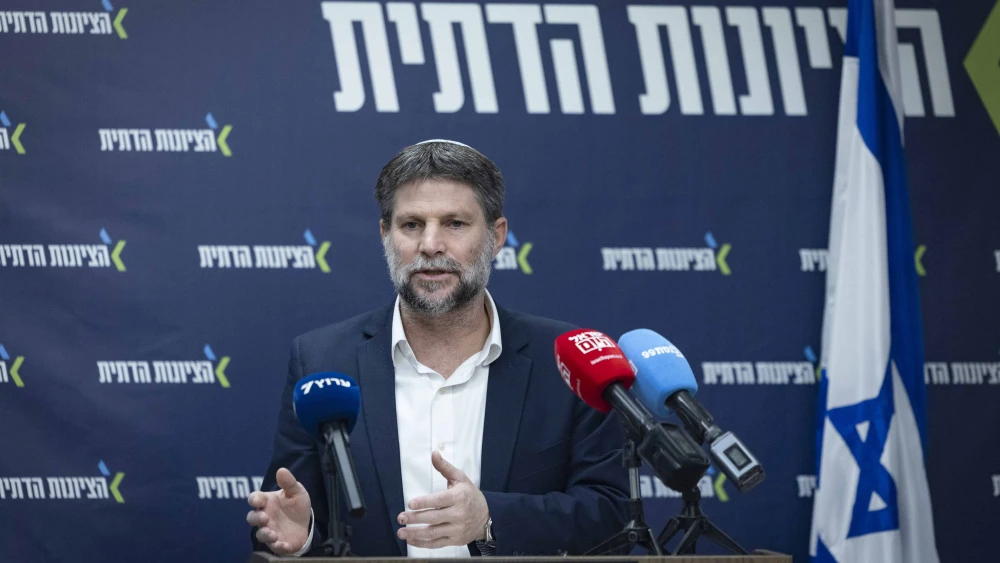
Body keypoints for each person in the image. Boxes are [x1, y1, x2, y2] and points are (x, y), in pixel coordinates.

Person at [247, 140, 629, 557]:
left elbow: (612, 515)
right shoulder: (321, 360)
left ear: (496, 236)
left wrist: (489, 519)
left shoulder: (566, 363)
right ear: (385, 235)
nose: (430, 244)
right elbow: (288, 514)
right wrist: (300, 537)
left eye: (454, 224)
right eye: (411, 225)